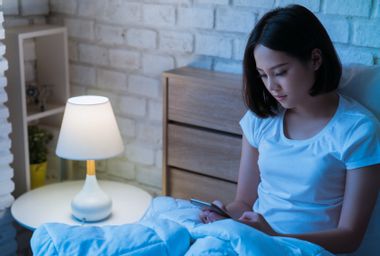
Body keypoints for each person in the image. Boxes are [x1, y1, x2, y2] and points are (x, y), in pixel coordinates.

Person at [199, 4, 380, 254]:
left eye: (280, 72)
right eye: (263, 75)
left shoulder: (357, 130)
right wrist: (223, 214)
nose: (271, 86)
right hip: (256, 242)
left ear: (315, 59)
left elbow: (350, 237)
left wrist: (276, 236)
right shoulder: (261, 120)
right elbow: (244, 202)